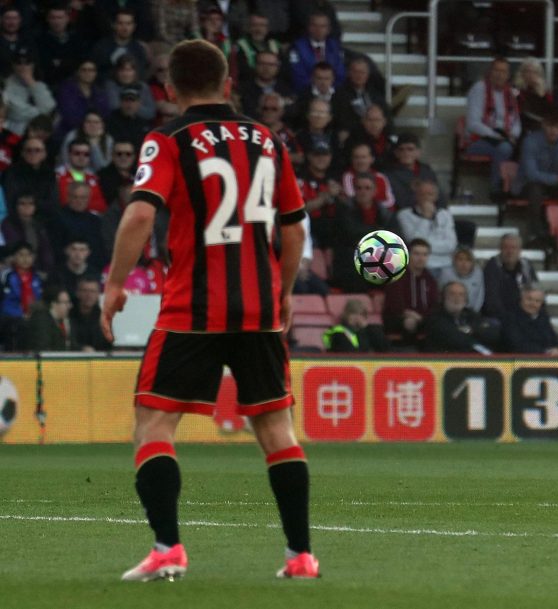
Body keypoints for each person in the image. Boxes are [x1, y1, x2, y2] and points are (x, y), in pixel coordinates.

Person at [99, 39, 319, 581]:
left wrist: (114, 285)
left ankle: (168, 548)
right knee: (276, 429)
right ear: (227, 84)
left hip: (192, 307)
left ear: (169, 88)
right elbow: (293, 227)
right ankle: (301, 558)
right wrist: (285, 290)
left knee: (154, 421)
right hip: (259, 307)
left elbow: (137, 217)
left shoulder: (168, 138)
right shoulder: (268, 139)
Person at [515, 113, 558, 244]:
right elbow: (531, 174)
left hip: (554, 183)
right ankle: (534, 233)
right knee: (535, 189)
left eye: (557, 127)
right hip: (528, 183)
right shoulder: (530, 141)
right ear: (543, 125)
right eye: (550, 126)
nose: (553, 130)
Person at [464, 58, 521, 196]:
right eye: (496, 70)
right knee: (505, 148)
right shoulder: (479, 88)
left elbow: (517, 122)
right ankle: (497, 188)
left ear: (508, 75)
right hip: (478, 139)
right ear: (490, 72)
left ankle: (517, 188)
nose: (499, 75)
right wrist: (498, 136)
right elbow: (473, 124)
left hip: (505, 137)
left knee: (524, 146)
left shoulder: (512, 92)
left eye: (503, 71)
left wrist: (513, 134)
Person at [382, 238, 438, 346]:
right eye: (416, 254)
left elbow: (434, 306)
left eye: (425, 255)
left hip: (422, 319)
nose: (421, 258)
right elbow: (394, 305)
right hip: (397, 318)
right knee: (409, 322)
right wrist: (409, 315)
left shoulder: (431, 280)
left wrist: (421, 317)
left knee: (438, 323)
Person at [396, 180, 457, 273]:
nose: (426, 198)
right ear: (416, 196)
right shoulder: (404, 215)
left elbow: (451, 245)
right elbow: (415, 242)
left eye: (430, 194)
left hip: (446, 265)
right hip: (422, 265)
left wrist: (426, 246)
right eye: (422, 194)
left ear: (436, 197)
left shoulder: (445, 214)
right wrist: (425, 218)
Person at [423, 280, 499, 354]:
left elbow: (493, 333)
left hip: (473, 361)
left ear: (466, 299)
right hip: (443, 363)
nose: (457, 298)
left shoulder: (471, 314)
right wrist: (477, 333)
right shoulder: (434, 317)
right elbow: (456, 339)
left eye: (461, 294)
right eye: (452, 294)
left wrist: (469, 330)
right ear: (443, 297)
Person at [482, 233, 538, 321]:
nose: (510, 251)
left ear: (520, 250)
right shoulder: (492, 266)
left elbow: (536, 291)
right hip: (501, 317)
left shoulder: (526, 266)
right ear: (500, 249)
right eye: (506, 247)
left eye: (513, 248)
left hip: (524, 314)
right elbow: (492, 301)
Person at [2, 49, 56, 136]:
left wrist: (30, 82)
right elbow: (18, 112)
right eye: (19, 62)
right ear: (13, 65)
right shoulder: (6, 85)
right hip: (14, 133)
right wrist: (43, 112)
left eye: (27, 62)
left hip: (39, 133)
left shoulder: (39, 84)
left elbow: (49, 107)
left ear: (33, 65)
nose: (23, 66)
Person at [383, 133, 444, 210]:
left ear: (418, 152)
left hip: (432, 213)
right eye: (401, 149)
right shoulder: (389, 175)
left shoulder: (427, 171)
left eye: (410, 149)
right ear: (396, 153)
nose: (406, 153)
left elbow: (440, 197)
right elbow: (400, 200)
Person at [0, 240, 42, 351]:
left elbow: (39, 301)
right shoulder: (6, 276)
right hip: (10, 318)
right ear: (13, 257)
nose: (25, 259)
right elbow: (5, 303)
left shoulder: (38, 277)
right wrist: (20, 315)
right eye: (21, 255)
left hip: (32, 317)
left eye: (29, 255)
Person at [502, 283, 558, 354]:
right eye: (529, 299)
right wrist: (546, 352)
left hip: (546, 361)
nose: (533, 304)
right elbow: (518, 345)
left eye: (537, 301)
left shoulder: (543, 317)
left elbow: (555, 341)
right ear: (521, 298)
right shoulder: (510, 318)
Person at [322, 297, 390, 353]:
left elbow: (385, 349)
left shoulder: (371, 330)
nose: (358, 318)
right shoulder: (338, 332)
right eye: (354, 314)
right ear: (347, 315)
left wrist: (365, 327)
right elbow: (352, 352)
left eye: (361, 315)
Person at [436, 246, 485, 313]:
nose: (464, 264)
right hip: (447, 312)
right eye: (460, 259)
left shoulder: (478, 273)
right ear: (454, 261)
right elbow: (440, 295)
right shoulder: (446, 273)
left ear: (472, 263)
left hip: (471, 312)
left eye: (468, 260)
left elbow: (480, 297)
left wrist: (473, 313)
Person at [25, 285, 72, 351]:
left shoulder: (65, 321)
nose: (69, 306)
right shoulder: (41, 320)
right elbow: (43, 347)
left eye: (69, 302)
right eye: (65, 303)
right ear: (54, 304)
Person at [70, 276, 109, 351]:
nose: (89, 295)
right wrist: (81, 349)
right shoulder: (69, 314)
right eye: (85, 291)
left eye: (93, 291)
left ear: (98, 294)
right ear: (78, 293)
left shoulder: (104, 317)